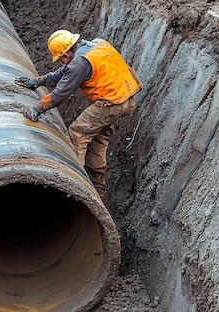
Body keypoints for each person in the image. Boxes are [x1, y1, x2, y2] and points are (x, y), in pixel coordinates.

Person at [15, 30, 142, 200]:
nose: (61, 61)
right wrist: (38, 81)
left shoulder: (80, 64)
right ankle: (98, 192)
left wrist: (38, 108)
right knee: (97, 141)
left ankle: (75, 186)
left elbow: (60, 93)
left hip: (110, 104)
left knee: (78, 133)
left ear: (68, 51)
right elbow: (64, 73)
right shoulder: (95, 45)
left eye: (61, 57)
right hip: (125, 98)